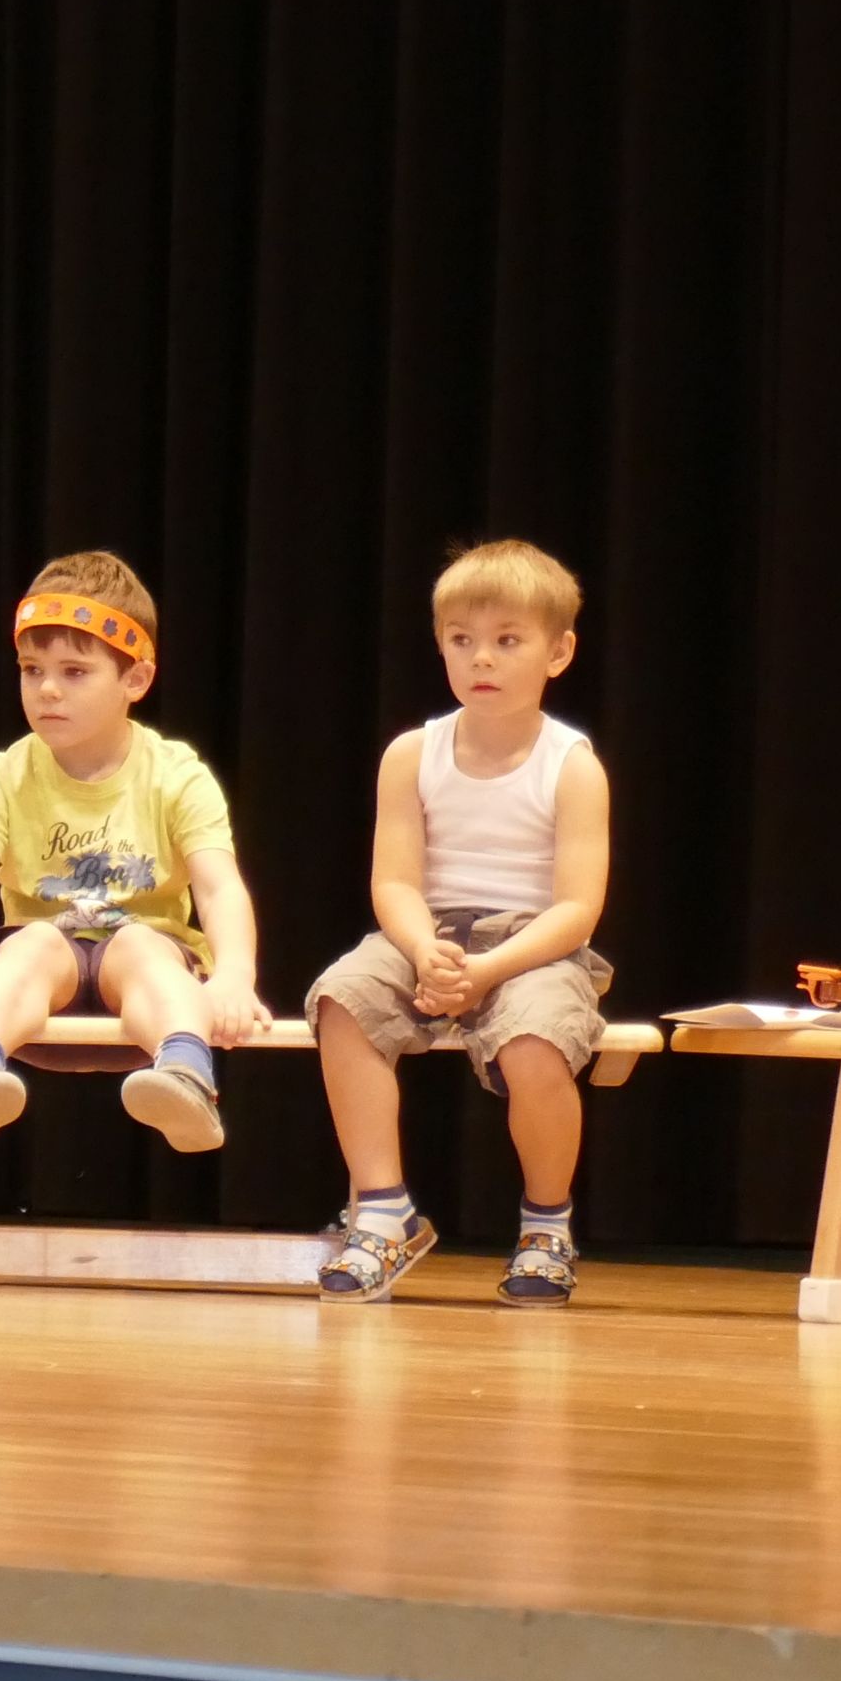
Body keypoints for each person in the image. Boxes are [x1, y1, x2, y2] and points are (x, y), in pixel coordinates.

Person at [306, 541, 613, 1307]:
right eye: (462, 639)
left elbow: (577, 909)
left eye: (508, 640)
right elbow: (394, 881)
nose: (482, 658)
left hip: (534, 946)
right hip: (428, 934)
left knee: (536, 1039)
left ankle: (546, 1224)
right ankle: (384, 1212)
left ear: (558, 652)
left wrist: (488, 970)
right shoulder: (412, 754)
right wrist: (424, 950)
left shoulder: (572, 765)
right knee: (342, 999)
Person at [0, 552, 270, 1154]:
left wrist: (234, 976)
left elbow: (219, 886)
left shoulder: (176, 773)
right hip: (44, 981)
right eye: (31, 669)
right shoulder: (3, 773)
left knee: (142, 945)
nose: (47, 689)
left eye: (74, 671)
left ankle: (184, 1076)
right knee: (31, 944)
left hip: (142, 975)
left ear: (135, 680)